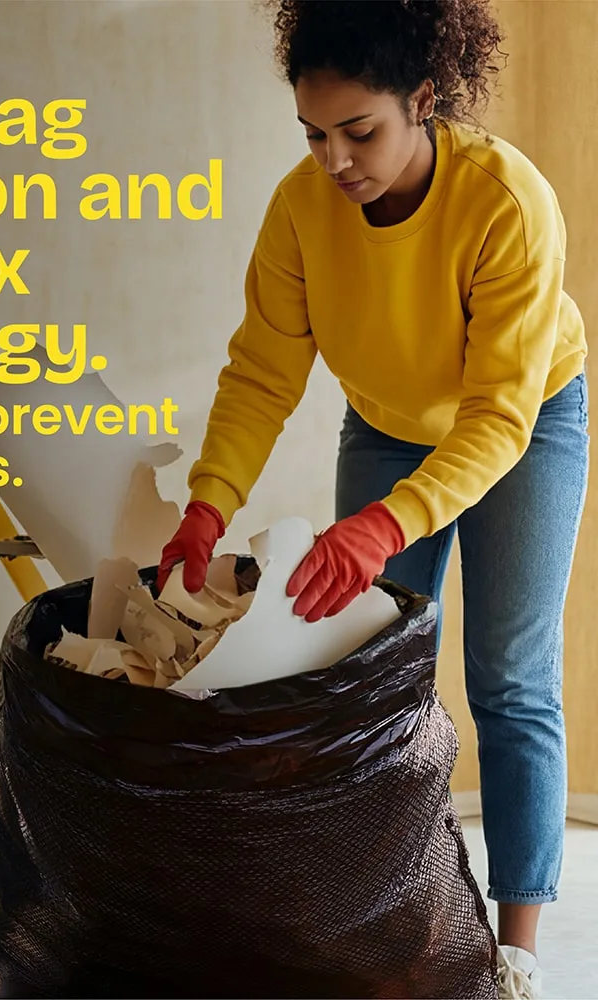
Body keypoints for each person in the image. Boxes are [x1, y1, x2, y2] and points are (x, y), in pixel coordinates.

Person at [156, 2, 589, 997]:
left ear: (423, 101)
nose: (336, 159)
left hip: (521, 421)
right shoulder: (301, 211)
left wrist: (384, 523)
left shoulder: (505, 203)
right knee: (372, 673)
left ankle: (516, 947)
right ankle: (391, 910)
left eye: (361, 131)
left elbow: (491, 419)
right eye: (314, 134)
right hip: (388, 419)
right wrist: (207, 503)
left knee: (510, 676)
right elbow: (262, 373)